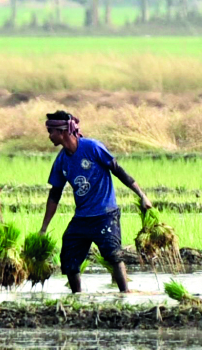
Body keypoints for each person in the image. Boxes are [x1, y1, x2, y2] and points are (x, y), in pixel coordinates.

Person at [38, 110, 150, 293]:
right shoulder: (61, 161)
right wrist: (43, 228)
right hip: (82, 217)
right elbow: (54, 195)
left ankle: (125, 294)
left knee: (113, 255)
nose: (49, 136)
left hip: (105, 214)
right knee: (69, 257)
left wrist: (142, 196)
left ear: (63, 131)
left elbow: (118, 171)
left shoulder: (92, 148)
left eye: (51, 132)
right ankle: (77, 297)